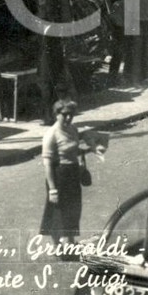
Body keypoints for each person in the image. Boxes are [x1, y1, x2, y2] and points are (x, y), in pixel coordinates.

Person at [39, 99, 105, 256]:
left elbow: (74, 149)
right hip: (59, 175)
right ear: (56, 114)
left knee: (73, 209)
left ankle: (69, 242)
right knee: (58, 212)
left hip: (73, 173)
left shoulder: (73, 129)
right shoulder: (51, 135)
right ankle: (57, 247)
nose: (68, 118)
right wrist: (53, 190)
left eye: (71, 115)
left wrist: (90, 151)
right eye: (65, 115)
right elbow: (47, 163)